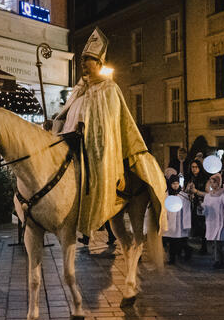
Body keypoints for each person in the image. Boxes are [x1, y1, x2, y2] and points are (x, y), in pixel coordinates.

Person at [52, 27, 166, 238]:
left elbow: (110, 122)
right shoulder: (78, 89)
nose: (84, 64)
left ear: (99, 63)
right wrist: (55, 128)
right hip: (71, 141)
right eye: (83, 59)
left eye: (89, 59)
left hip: (97, 146)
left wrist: (89, 131)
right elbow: (63, 116)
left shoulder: (109, 89)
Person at [200, 173, 224, 269]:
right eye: (211, 182)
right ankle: (217, 258)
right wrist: (202, 208)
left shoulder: (222, 194)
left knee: (219, 241)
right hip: (211, 220)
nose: (212, 185)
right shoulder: (208, 195)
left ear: (218, 183)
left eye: (214, 183)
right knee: (214, 241)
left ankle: (219, 259)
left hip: (220, 220)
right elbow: (205, 207)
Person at [163, 175, 191, 265]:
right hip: (170, 221)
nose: (175, 186)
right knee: (171, 241)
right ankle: (172, 259)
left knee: (180, 241)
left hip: (179, 222)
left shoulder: (182, 195)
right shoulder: (166, 195)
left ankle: (187, 253)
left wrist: (186, 223)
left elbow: (186, 210)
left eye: (177, 183)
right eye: (173, 184)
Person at [185, 159, 208, 255]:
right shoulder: (189, 177)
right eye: (192, 167)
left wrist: (196, 191)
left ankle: (204, 247)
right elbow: (185, 191)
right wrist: (188, 188)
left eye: (196, 167)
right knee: (193, 225)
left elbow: (208, 194)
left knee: (202, 226)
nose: (194, 169)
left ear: (199, 168)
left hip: (201, 205)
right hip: (191, 204)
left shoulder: (205, 178)